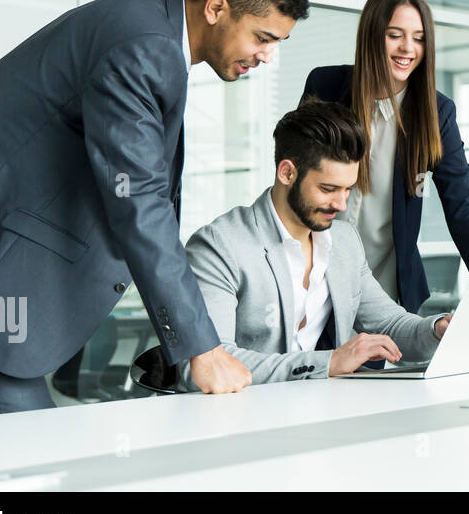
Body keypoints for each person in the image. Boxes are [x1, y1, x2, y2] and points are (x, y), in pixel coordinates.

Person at [0, 0, 309, 418]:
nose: (267, 56)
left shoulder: (149, 32)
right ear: (216, 8)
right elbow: (138, 199)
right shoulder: (142, 48)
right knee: (29, 458)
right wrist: (200, 348)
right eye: (263, 37)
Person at [300, 0, 469, 355]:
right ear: (372, 36)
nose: (408, 49)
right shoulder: (325, 86)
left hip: (389, 291)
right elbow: (297, 181)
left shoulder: (435, 113)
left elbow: (464, 210)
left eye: (419, 38)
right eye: (395, 35)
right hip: (316, 281)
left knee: (372, 395)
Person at [179, 100, 450, 388]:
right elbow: (209, 361)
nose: (341, 203)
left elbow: (391, 327)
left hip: (323, 413)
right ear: (287, 173)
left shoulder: (344, 241)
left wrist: (438, 329)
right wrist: (328, 363)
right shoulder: (220, 245)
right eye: (328, 189)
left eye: (348, 189)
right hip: (241, 417)